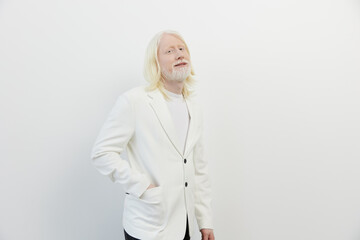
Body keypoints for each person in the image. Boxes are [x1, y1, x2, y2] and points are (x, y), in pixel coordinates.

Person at [91, 30, 215, 240]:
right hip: (149, 226)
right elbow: (102, 153)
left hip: (184, 226)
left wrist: (205, 221)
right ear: (155, 62)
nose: (179, 54)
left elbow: (199, 168)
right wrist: (142, 186)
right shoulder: (134, 101)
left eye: (182, 49)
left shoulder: (194, 107)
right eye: (169, 51)